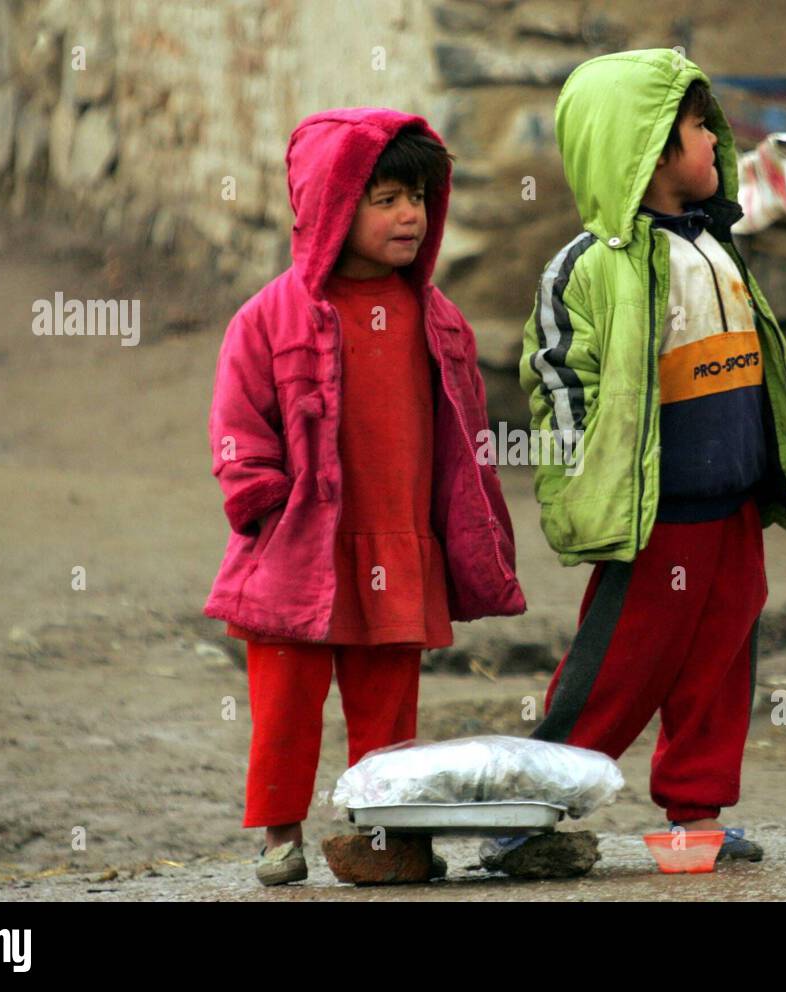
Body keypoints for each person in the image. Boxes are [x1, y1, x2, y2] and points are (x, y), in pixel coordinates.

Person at [493, 49, 786, 869]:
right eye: (696, 130)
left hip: (734, 507)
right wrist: (583, 484)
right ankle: (531, 811)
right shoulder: (589, 268)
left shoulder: (718, 246)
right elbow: (556, 378)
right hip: (657, 516)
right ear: (643, 149)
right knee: (617, 671)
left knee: (720, 663)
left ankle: (696, 816)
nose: (716, 143)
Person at [203, 108, 526, 885]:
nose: (409, 214)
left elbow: (465, 437)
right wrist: (263, 501)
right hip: (298, 547)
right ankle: (280, 835)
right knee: (285, 704)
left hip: (398, 543)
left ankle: (386, 834)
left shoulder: (437, 319)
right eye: (384, 197)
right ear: (330, 206)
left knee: (387, 706)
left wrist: (469, 527)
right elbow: (236, 423)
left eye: (417, 195)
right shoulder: (269, 316)